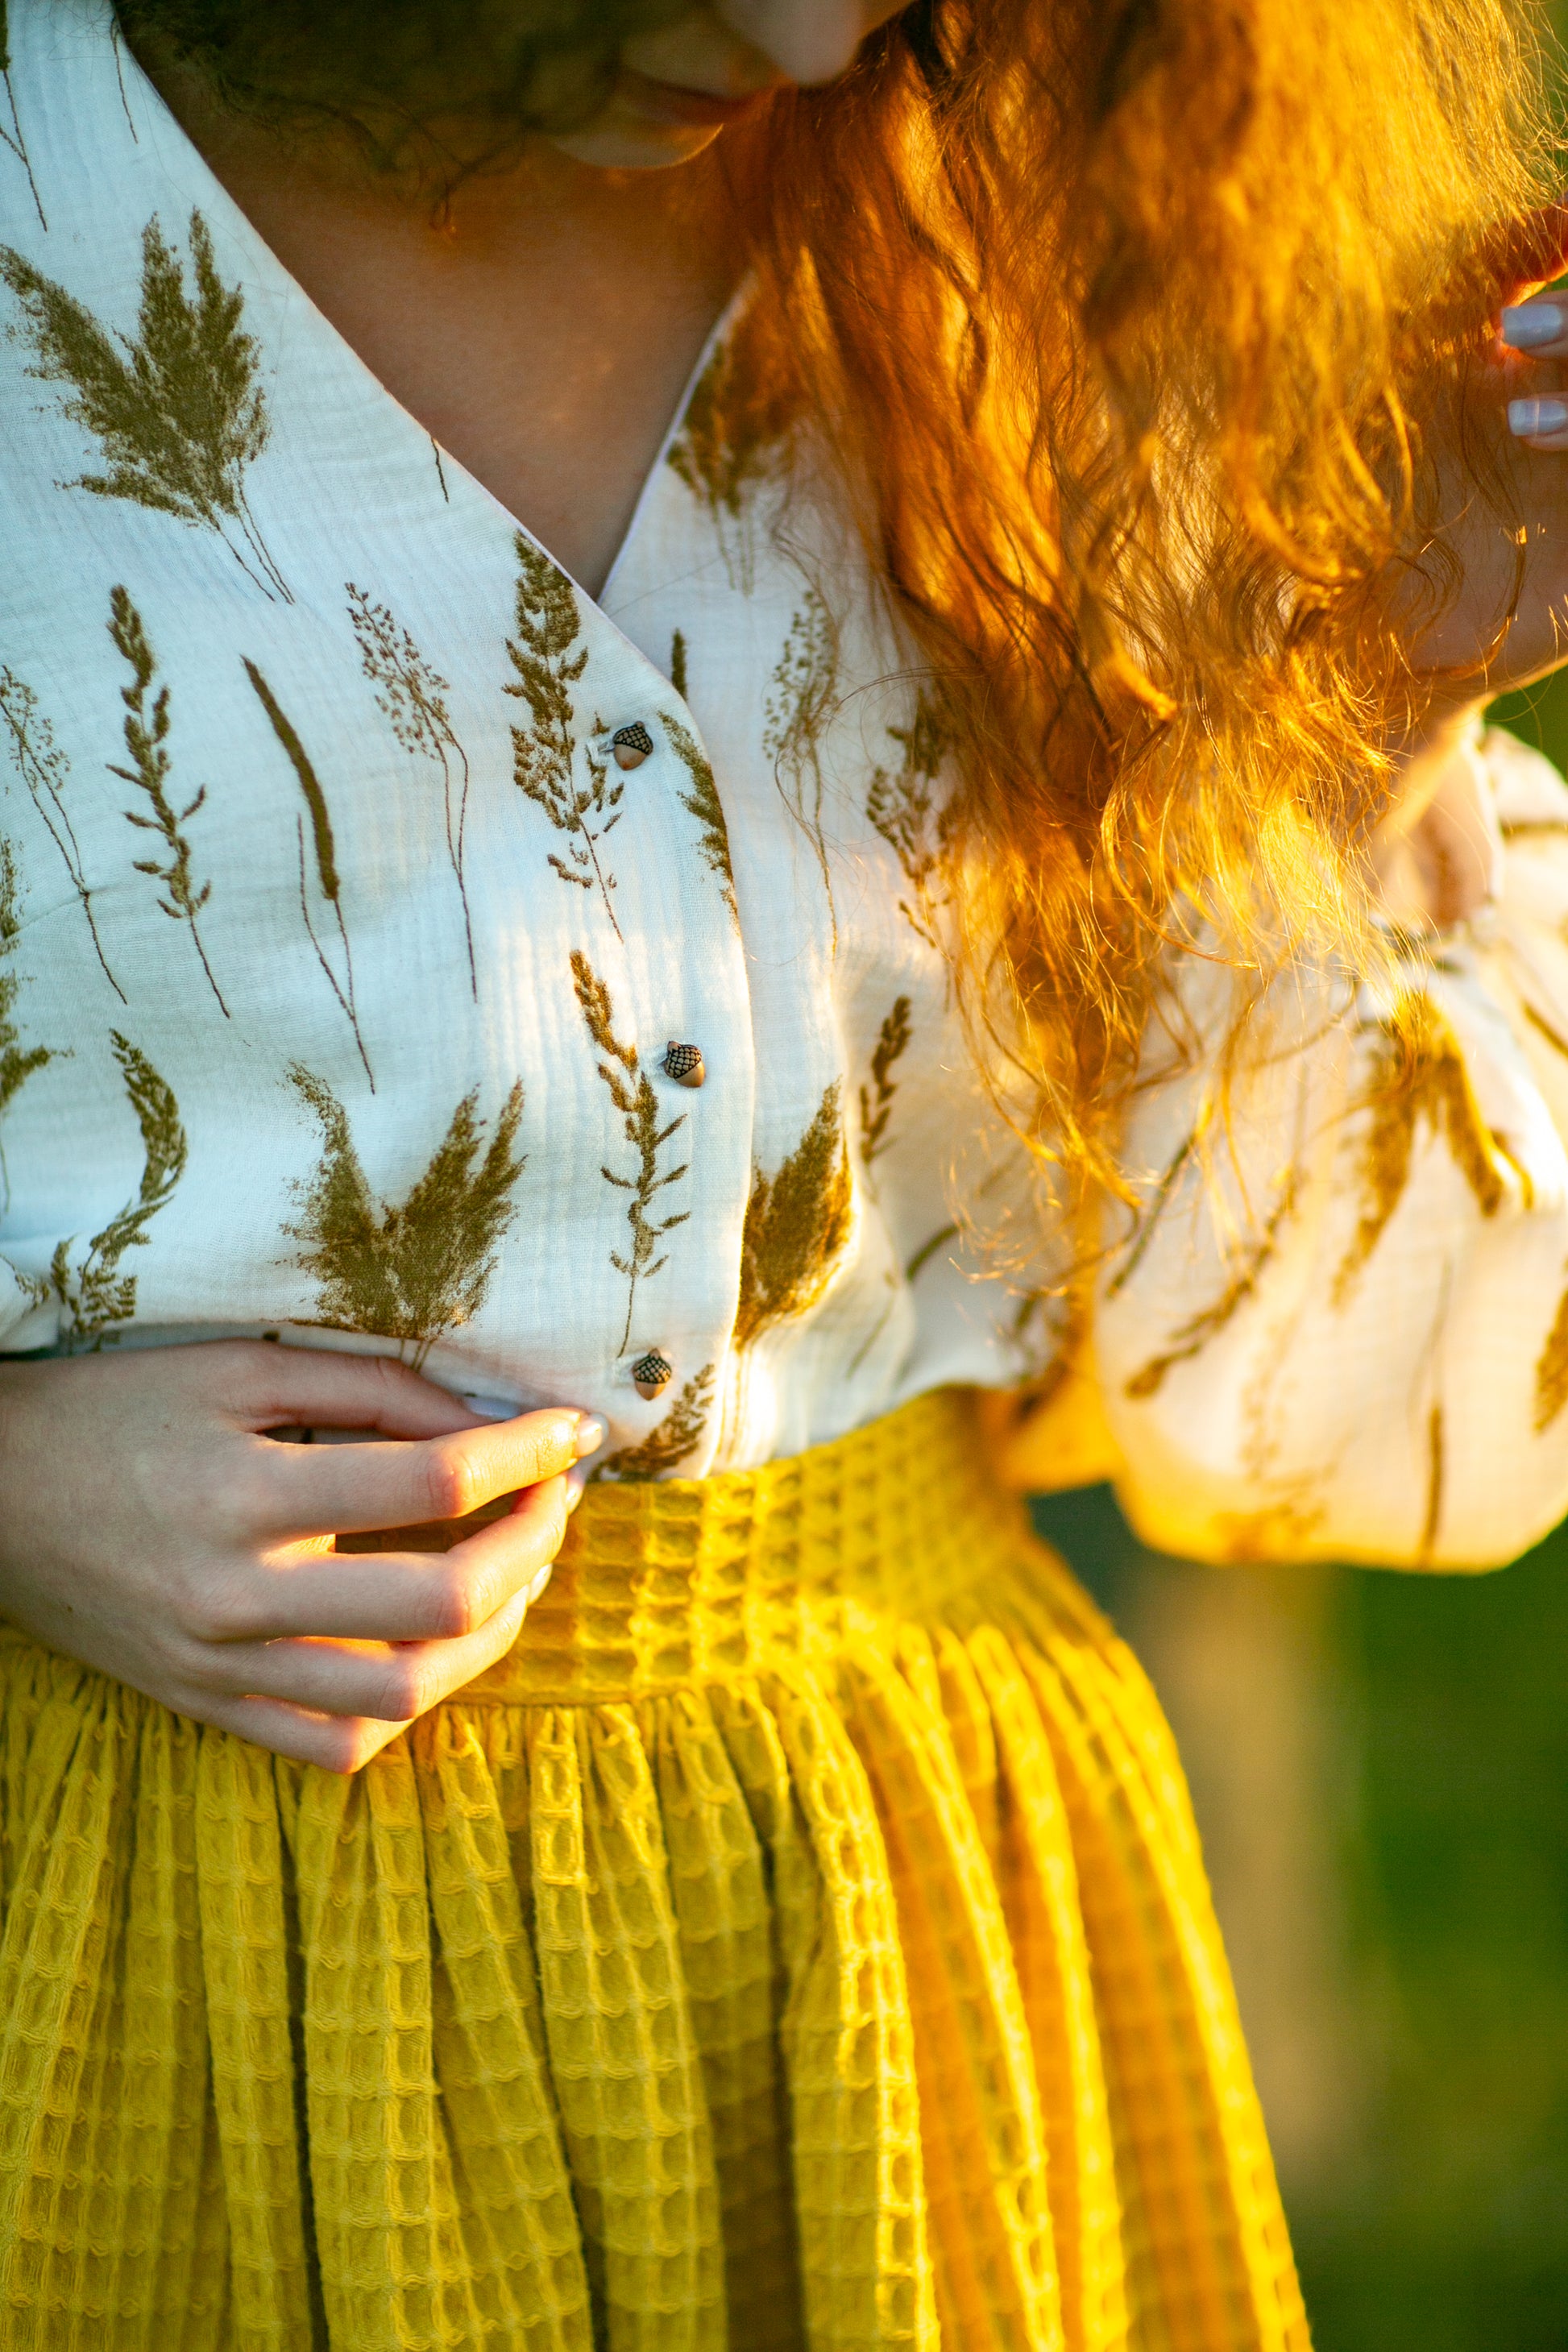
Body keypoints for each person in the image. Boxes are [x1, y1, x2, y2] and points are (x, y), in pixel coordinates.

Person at [3, 0, 1568, 2341]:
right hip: (136, 1941)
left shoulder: (1043, 211)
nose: (824, 29)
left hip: (895, 1945)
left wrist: (1371, 704)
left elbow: (1329, 1424)